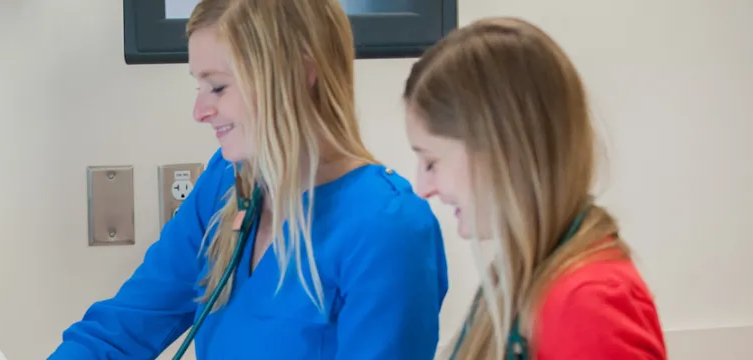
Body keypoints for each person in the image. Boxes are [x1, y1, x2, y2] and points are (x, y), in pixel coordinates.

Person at [49, 0, 448, 358]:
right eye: (199, 86)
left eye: (218, 86)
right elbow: (119, 331)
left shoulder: (388, 228)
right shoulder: (225, 186)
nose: (200, 110)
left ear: (300, 73)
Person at [402, 17, 667, 360]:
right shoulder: (519, 279)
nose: (423, 188)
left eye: (431, 162)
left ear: (500, 151)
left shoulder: (587, 303)